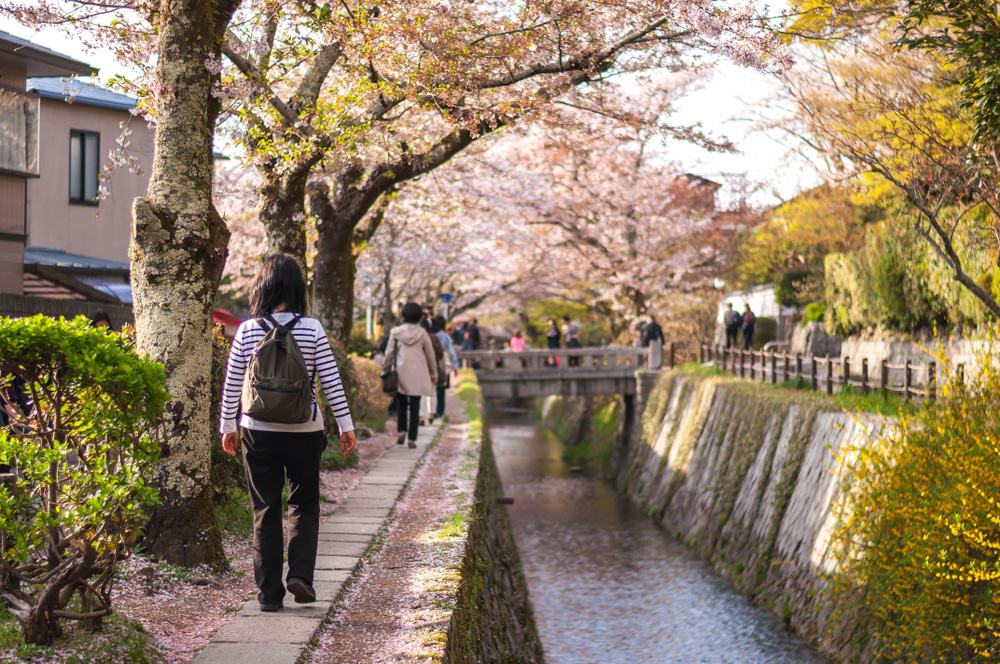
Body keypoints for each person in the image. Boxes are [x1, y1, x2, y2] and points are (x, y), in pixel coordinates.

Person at [220, 254, 356, 613]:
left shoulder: (248, 330)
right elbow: (331, 381)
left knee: (265, 508)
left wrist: (227, 426)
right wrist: (346, 426)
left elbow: (233, 383)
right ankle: (300, 576)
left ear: (263, 287)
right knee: (305, 504)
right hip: (304, 429)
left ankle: (268, 594)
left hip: (257, 430)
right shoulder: (312, 329)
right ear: (297, 288)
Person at [383, 302, 438, 448]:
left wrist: (385, 369)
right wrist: (434, 373)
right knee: (415, 405)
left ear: (403, 315)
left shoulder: (396, 333)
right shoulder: (423, 333)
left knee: (401, 404)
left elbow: (389, 354)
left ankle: (401, 432)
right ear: (420, 317)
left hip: (401, 372)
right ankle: (412, 438)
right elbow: (430, 355)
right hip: (418, 372)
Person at [432, 315, 458, 419]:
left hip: (428, 365)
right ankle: (440, 411)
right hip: (441, 365)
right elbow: (451, 353)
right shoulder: (445, 336)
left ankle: (429, 411)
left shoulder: (428, 335)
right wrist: (455, 367)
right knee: (441, 389)